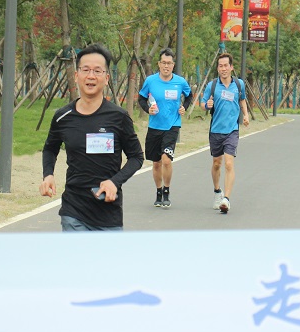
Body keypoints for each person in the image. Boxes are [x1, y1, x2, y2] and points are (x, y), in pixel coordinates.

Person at [39, 43, 144, 231]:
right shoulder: (63, 117)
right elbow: (50, 148)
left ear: (106, 78)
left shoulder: (118, 117)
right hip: (73, 211)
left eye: (97, 71)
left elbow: (136, 157)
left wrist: (114, 182)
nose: (91, 76)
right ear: (76, 75)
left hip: (108, 215)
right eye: (86, 70)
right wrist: (48, 175)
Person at [138, 48, 193, 208]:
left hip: (172, 125)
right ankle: (159, 191)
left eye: (169, 63)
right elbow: (141, 98)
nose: (166, 66)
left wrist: (184, 107)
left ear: (173, 65)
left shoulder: (180, 82)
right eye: (163, 63)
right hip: (155, 126)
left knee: (166, 161)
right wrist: (148, 110)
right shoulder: (150, 81)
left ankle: (167, 190)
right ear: (159, 64)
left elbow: (189, 95)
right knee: (156, 163)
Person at [200, 52, 249, 214]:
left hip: (232, 131)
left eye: (226, 65)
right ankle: (217, 191)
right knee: (216, 163)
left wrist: (246, 115)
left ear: (231, 67)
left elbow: (242, 100)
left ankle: (226, 199)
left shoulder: (239, 84)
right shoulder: (212, 86)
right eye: (220, 66)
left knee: (229, 163)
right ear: (218, 68)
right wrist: (207, 105)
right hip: (215, 130)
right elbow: (202, 104)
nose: (223, 69)